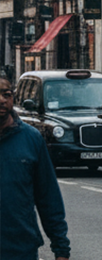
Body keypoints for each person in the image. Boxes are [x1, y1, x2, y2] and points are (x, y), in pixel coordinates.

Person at [0, 75, 71, 260]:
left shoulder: (31, 139)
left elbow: (48, 197)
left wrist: (61, 247)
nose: (1, 100)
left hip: (21, 250)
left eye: (6, 94)